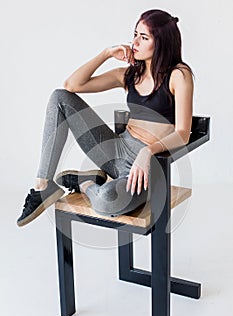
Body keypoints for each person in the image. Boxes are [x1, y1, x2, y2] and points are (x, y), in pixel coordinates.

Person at [17, 9, 193, 227]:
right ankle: (43, 186)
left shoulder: (179, 75)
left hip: (147, 166)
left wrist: (147, 152)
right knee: (59, 98)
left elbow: (183, 133)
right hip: (116, 149)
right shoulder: (129, 75)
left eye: (144, 37)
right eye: (135, 34)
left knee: (105, 201)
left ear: (162, 43)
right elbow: (72, 86)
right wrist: (106, 53)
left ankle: (86, 183)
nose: (135, 42)